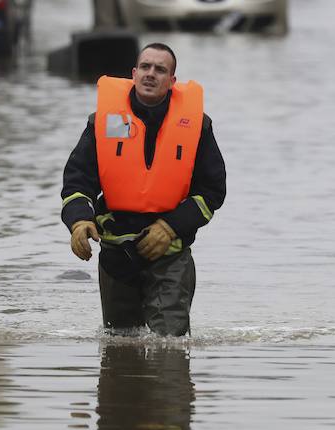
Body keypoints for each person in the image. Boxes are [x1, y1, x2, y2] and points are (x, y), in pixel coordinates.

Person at [60, 42, 226, 336]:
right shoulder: (103, 122)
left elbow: (212, 191)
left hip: (170, 255)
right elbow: (78, 180)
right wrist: (79, 221)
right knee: (119, 350)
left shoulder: (197, 126)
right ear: (134, 74)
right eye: (146, 67)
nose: (151, 74)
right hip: (116, 256)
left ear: (172, 82)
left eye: (160, 69)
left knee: (170, 349)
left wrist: (171, 226)